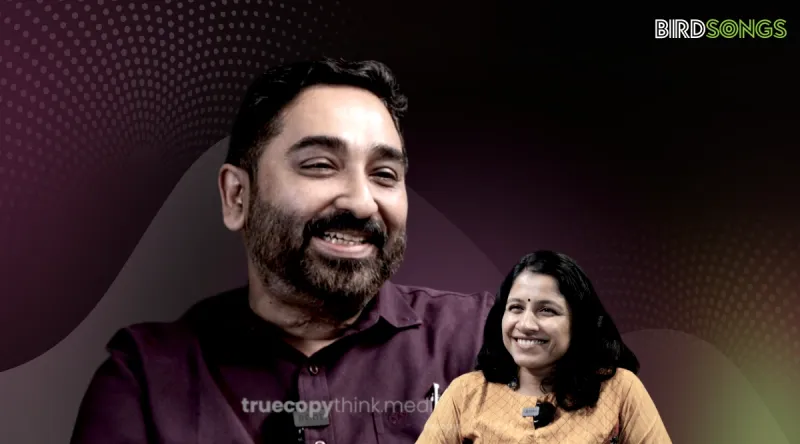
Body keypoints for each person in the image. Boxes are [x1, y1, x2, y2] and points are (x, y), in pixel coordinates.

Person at [70, 58, 495, 444]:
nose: (361, 202)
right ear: (237, 196)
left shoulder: (486, 339)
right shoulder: (143, 379)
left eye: (384, 174)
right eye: (320, 165)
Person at [416, 250, 672, 444]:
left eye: (546, 310)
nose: (526, 324)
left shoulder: (618, 390)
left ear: (579, 322)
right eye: (516, 308)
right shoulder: (466, 393)